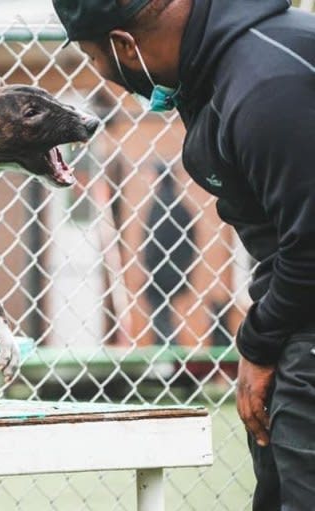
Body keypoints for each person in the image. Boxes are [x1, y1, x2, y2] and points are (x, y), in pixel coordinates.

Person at [51, 0, 314, 508]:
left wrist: (258, 345)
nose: (102, 76)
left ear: (126, 45)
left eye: (92, 56)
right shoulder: (218, 68)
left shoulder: (265, 85)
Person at [143, 162, 195, 345]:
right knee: (165, 312)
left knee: (160, 313)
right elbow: (192, 237)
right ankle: (170, 348)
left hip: (161, 269)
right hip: (177, 268)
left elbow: (153, 241)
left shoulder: (159, 205)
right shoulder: (180, 205)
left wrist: (149, 265)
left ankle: (167, 349)